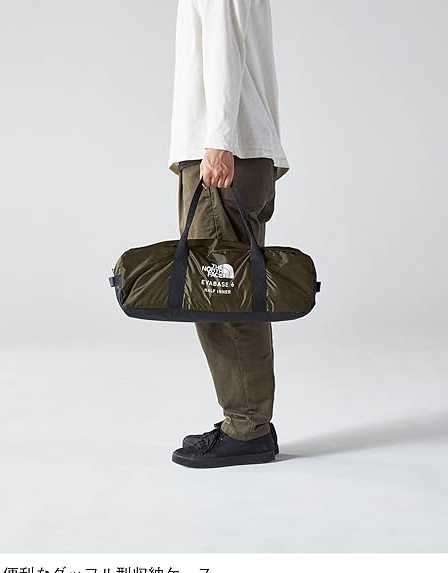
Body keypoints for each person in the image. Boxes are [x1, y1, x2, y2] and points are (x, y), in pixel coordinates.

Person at [168, 0, 289, 468]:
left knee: (221, 298)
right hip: (240, 150)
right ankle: (247, 421)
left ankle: (247, 428)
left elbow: (222, 51)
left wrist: (218, 142)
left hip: (224, 154)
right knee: (233, 293)